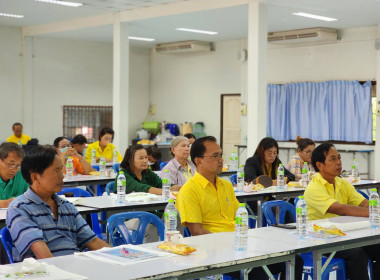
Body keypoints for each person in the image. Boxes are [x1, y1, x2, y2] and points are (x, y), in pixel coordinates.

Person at [176, 136, 303, 280]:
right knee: (258, 273)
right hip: (214, 252)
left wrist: (251, 237)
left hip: (240, 245)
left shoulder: (226, 185)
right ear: (198, 161)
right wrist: (232, 241)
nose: (221, 160)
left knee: (294, 260)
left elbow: (239, 216)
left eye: (221, 155)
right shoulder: (189, 190)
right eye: (215, 156)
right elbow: (197, 232)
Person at [6, 146, 110, 262]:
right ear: (35, 177)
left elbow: (93, 241)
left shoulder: (66, 206)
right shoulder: (20, 208)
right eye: (57, 171)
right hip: (44, 273)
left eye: (61, 169)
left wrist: (119, 257)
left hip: (75, 267)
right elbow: (44, 256)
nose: (62, 175)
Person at [304, 143, 380, 280]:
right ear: (319, 165)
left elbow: (364, 203)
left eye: (339, 158)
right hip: (321, 239)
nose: (339, 162)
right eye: (333, 159)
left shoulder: (342, 183)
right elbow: (341, 209)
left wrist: (375, 208)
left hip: (346, 234)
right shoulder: (313, 188)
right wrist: (374, 212)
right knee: (357, 254)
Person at [114, 144, 179, 194]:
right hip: (131, 210)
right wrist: (168, 192)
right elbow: (143, 188)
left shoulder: (147, 172)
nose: (145, 161)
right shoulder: (123, 174)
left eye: (146, 157)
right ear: (130, 160)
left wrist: (179, 188)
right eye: (141, 158)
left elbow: (161, 184)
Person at [0, 143, 29, 208]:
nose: (14, 170)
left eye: (18, 166)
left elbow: (33, 196)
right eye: (11, 164)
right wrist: (4, 203)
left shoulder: (22, 176)